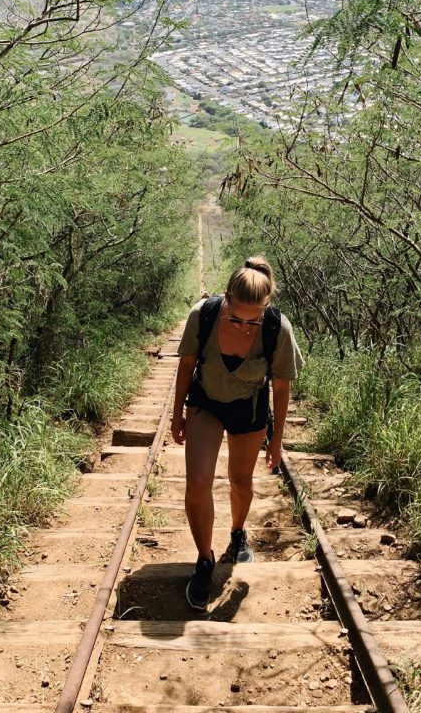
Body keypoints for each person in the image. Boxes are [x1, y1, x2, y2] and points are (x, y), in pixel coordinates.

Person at [171, 256, 305, 610]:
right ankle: (204, 559)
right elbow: (186, 364)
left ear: (266, 307)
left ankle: (237, 533)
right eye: (236, 317)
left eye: (253, 319)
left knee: (240, 480)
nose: (245, 325)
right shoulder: (204, 314)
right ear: (226, 299)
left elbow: (281, 387)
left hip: (249, 407)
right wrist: (176, 414)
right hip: (206, 402)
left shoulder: (278, 327)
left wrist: (277, 442)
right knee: (198, 482)